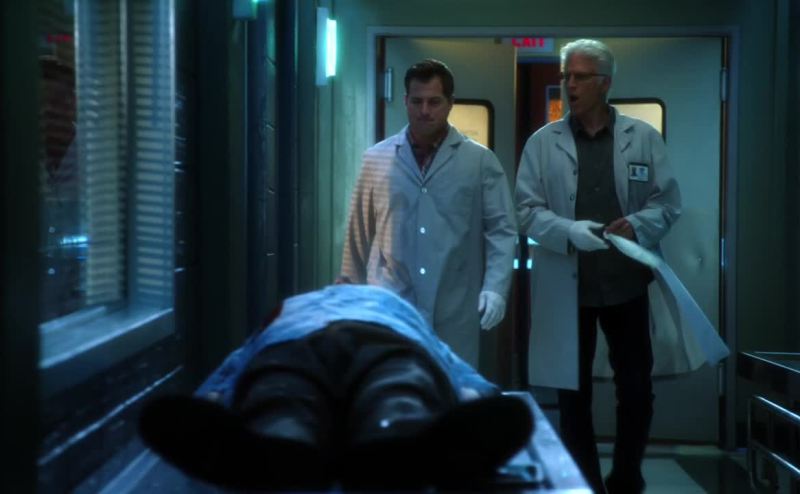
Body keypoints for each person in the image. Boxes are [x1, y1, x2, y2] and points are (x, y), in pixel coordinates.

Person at [138, 284, 533, 491]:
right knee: (399, 392)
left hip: (291, 343)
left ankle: (281, 434)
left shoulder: (287, 309)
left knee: (280, 395)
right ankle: (398, 428)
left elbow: (226, 378)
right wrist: (470, 397)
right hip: (389, 340)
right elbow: (470, 385)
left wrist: (218, 400)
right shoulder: (392, 305)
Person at [514, 39, 681, 494]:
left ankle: (626, 477)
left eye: (580, 76)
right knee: (572, 394)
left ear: (604, 83)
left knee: (637, 389)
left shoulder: (642, 137)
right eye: (565, 75)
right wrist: (567, 231)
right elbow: (526, 211)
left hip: (626, 284)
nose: (569, 84)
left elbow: (667, 203)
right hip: (570, 288)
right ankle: (585, 483)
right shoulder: (543, 143)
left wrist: (638, 224)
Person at [339, 58, 517, 367]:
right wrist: (348, 295)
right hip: (391, 303)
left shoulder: (479, 162)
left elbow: (501, 230)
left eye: (434, 102)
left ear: (450, 103)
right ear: (405, 101)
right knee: (396, 384)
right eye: (417, 101)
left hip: (455, 305)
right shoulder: (377, 159)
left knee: (450, 386)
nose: (424, 110)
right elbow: (358, 235)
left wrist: (495, 288)